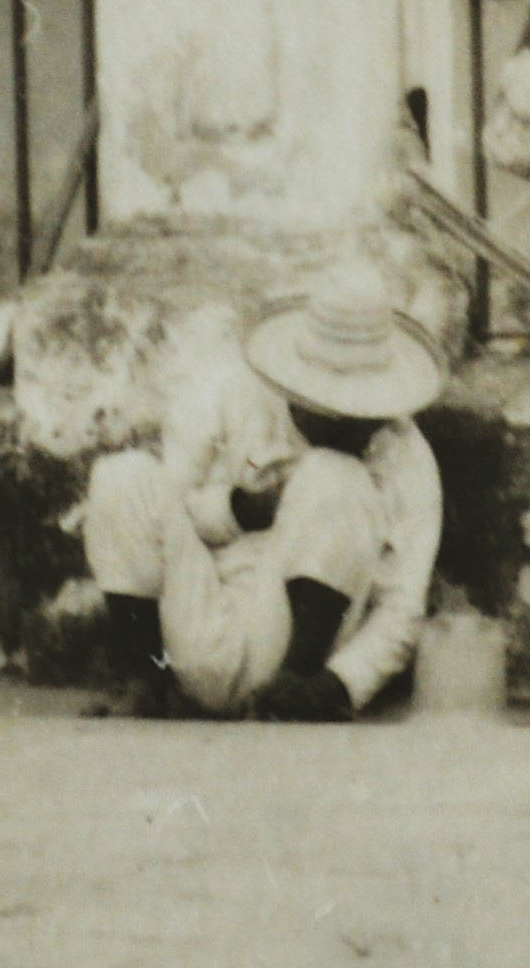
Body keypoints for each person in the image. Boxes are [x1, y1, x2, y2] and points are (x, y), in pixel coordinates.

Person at [79, 265, 447, 723]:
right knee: (122, 475)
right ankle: (145, 681)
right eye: (327, 407)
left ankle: (286, 693)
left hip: (291, 649)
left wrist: (337, 686)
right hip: (205, 618)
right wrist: (238, 511)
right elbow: (167, 511)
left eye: (361, 410)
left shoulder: (406, 458)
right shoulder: (231, 392)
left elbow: (401, 606)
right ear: (295, 389)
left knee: (335, 475)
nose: (346, 421)